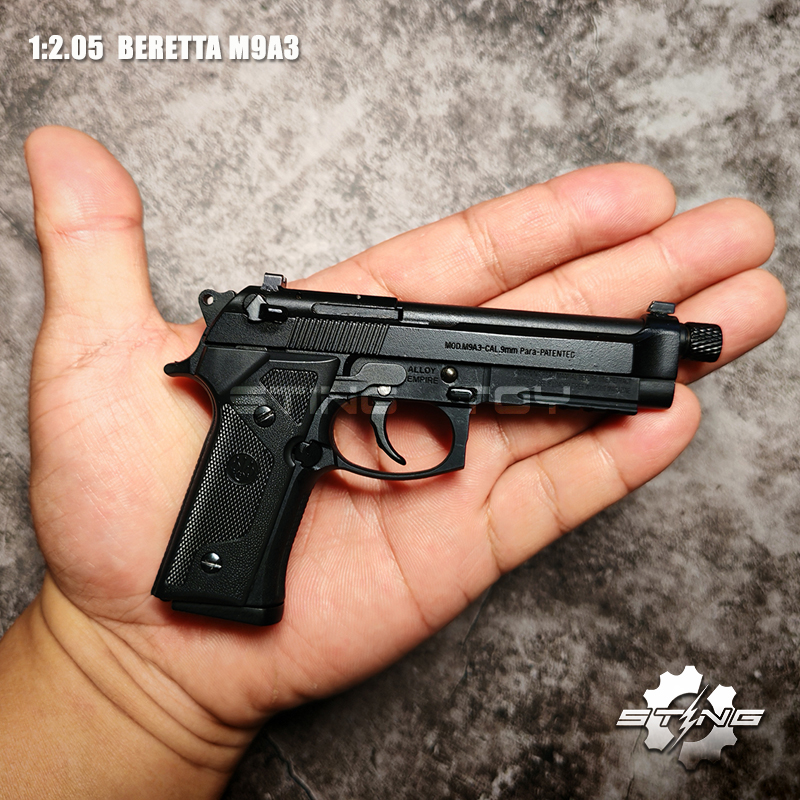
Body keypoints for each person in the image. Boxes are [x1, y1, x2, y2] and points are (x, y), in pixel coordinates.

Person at [0, 127, 785, 798]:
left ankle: (214, 579)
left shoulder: (296, 352)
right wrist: (122, 675)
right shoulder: (288, 360)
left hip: (294, 354)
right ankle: (215, 579)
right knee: (259, 453)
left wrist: (132, 691)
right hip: (291, 361)